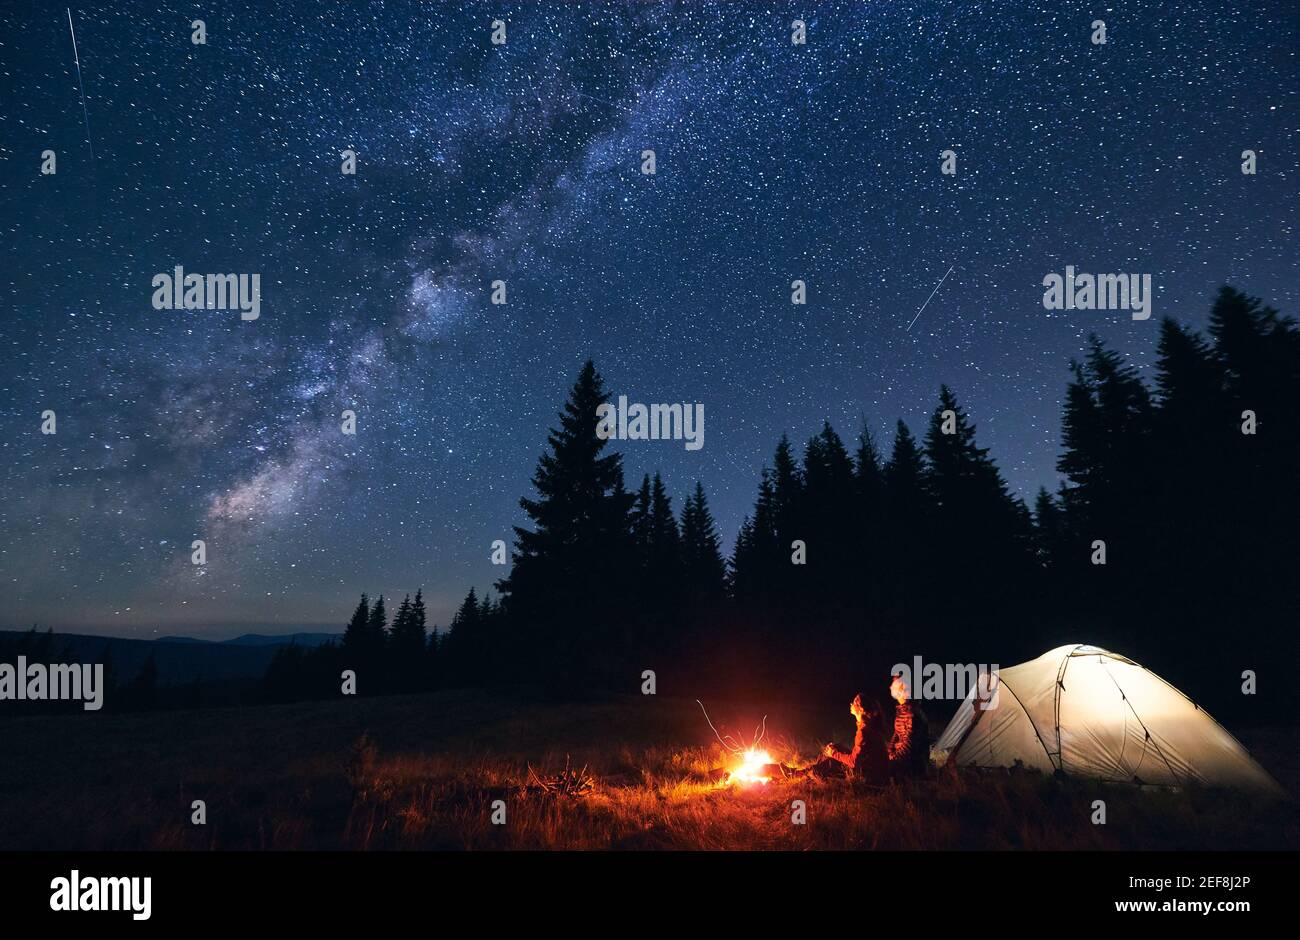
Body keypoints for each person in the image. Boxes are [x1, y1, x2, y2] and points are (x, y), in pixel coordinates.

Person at [797, 693, 887, 782]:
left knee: (832, 760)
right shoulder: (869, 725)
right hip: (871, 770)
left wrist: (834, 754)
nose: (851, 704)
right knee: (836, 747)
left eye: (855, 702)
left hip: (868, 776)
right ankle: (806, 772)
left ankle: (805, 773)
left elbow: (854, 762)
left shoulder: (864, 731)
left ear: (861, 709)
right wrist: (835, 751)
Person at [885, 674, 929, 779]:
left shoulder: (912, 714)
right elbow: (897, 733)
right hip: (902, 755)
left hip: (913, 760)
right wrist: (890, 750)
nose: (891, 687)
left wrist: (893, 757)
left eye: (895, 686)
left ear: (903, 691)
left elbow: (910, 746)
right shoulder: (902, 710)